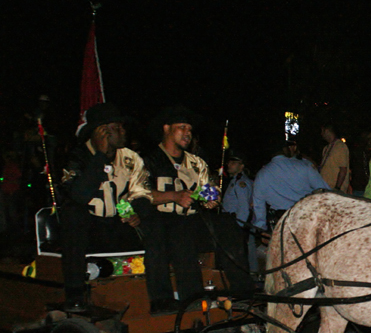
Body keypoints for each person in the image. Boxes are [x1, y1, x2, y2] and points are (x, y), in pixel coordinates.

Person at [138, 106, 253, 314]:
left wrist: (212, 198)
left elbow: (208, 189)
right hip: (161, 220)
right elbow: (138, 194)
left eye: (190, 129)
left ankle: (242, 290)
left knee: (227, 225)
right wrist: (174, 196)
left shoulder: (196, 163)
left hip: (191, 220)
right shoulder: (148, 161)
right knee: (179, 233)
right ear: (166, 129)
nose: (188, 133)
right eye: (182, 128)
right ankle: (186, 298)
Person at [59, 103, 151, 312]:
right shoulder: (76, 157)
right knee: (73, 214)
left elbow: (143, 193)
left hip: (118, 224)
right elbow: (79, 195)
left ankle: (159, 294)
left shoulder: (130, 158)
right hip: (89, 228)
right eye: (117, 128)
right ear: (101, 133)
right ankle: (75, 294)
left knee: (157, 221)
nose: (123, 131)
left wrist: (137, 212)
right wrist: (99, 157)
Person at [252, 141, 330, 238]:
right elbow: (325, 191)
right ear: (285, 149)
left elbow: (259, 206)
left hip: (281, 225)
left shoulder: (262, 174)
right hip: (306, 221)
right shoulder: (304, 166)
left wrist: (261, 229)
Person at [222, 151, 257, 274]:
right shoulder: (236, 181)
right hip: (236, 222)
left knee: (242, 252)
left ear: (241, 166)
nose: (229, 164)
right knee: (246, 251)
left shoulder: (240, 183)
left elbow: (244, 207)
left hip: (237, 222)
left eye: (233, 162)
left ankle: (248, 276)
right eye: (229, 162)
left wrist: (239, 228)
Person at [319, 124, 350, 193]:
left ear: (327, 131)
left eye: (322, 131)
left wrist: (337, 188)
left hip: (334, 190)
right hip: (325, 188)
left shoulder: (340, 146)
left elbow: (343, 169)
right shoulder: (326, 148)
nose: (321, 134)